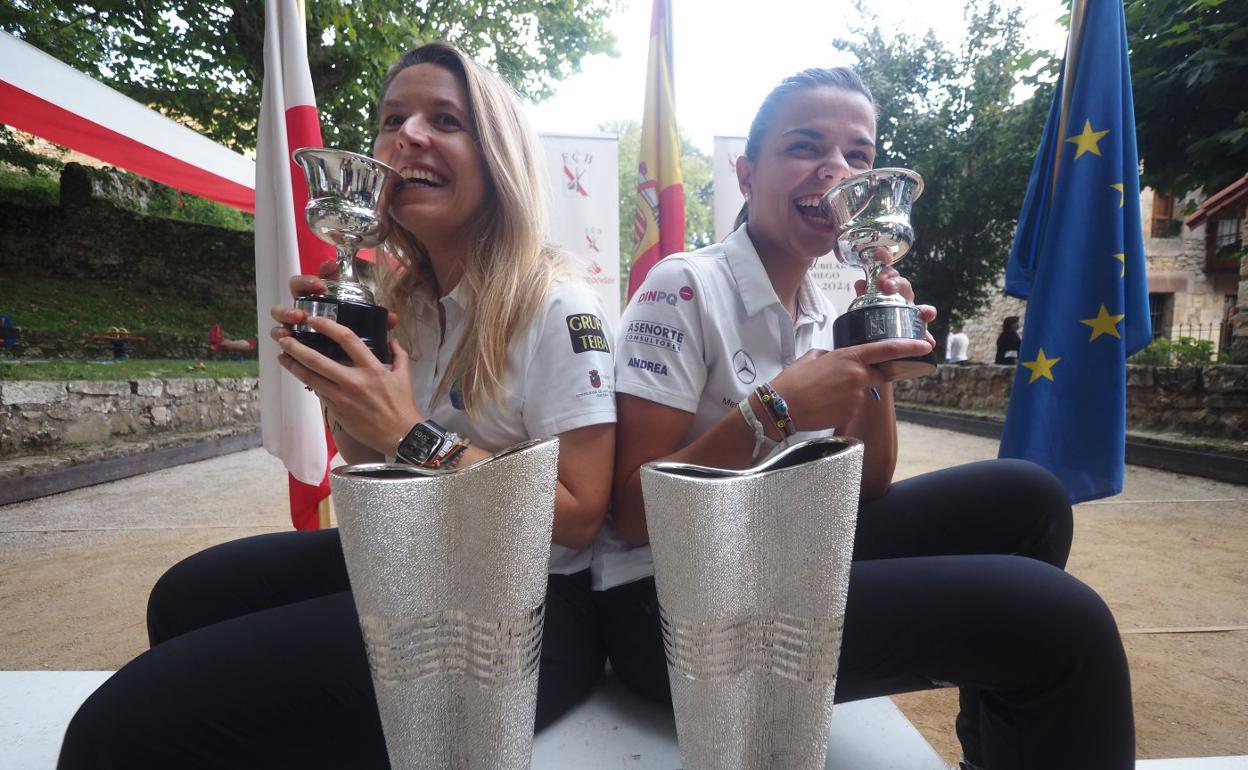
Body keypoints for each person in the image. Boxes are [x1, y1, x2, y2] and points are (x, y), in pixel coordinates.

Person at [58, 42, 615, 768]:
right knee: (182, 597)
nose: (407, 134)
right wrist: (340, 394)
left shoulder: (557, 305)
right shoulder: (404, 304)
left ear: (499, 155)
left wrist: (410, 434)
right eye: (393, 118)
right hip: (418, 551)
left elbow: (579, 514)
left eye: (445, 119)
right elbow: (369, 465)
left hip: (534, 608)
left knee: (120, 726)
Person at [593, 67, 1134, 769]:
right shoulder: (684, 287)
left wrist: (877, 366)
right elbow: (633, 514)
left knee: (1028, 498)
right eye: (805, 146)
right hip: (669, 612)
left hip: (780, 546)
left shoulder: (823, 308)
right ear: (747, 173)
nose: (836, 169)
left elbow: (867, 485)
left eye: (858, 156)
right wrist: (772, 413)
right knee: (1060, 621)